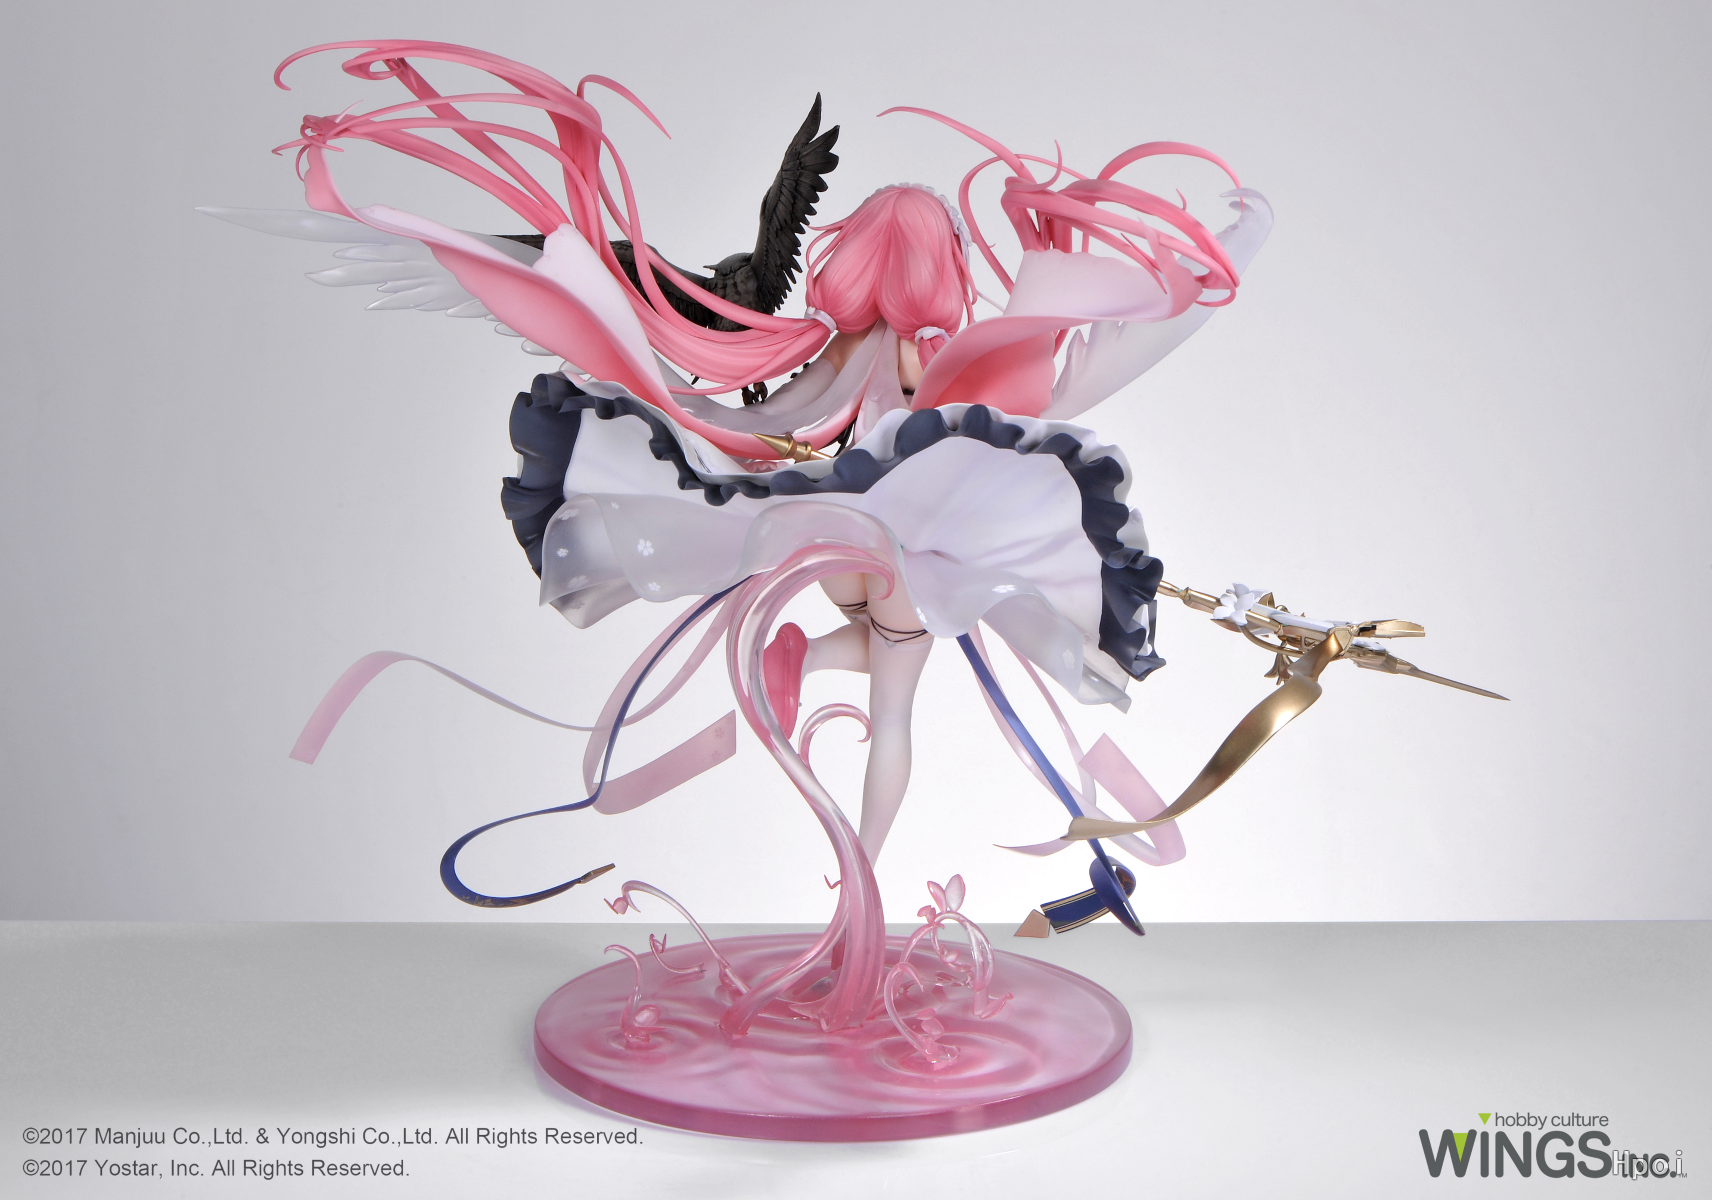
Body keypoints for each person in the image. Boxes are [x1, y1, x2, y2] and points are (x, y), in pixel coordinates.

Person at [256, 39, 1271, 900]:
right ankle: (861, 888)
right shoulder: (943, 356)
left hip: (830, 545)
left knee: (872, 650)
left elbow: (746, 418)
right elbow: (1077, 375)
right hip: (910, 556)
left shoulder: (822, 352)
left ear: (852, 256)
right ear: (941, 267)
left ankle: (804, 659)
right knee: (894, 717)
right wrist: (1225, 252)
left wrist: (673, 419)